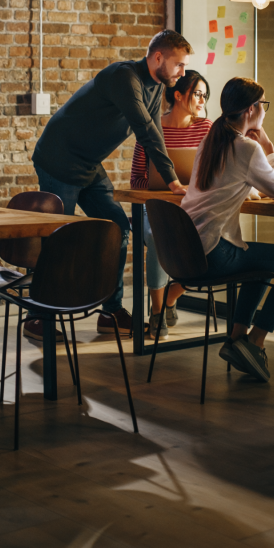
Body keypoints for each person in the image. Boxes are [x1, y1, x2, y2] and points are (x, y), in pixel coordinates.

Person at [31, 29, 192, 339]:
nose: (181, 73)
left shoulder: (157, 85)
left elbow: (154, 132)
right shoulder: (124, 76)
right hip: (59, 158)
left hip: (89, 164)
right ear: (158, 57)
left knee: (118, 227)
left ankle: (110, 312)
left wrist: (165, 177)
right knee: (56, 238)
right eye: (178, 65)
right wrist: (172, 180)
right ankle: (39, 316)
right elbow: (144, 128)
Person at [180, 76, 274, 383]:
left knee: (260, 265)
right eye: (263, 105)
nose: (264, 112)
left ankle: (235, 339)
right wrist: (268, 146)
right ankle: (254, 341)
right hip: (214, 253)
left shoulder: (212, 139)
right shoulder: (248, 148)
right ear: (252, 109)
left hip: (188, 249)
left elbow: (226, 183)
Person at [129, 70, 212, 339]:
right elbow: (136, 181)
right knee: (156, 235)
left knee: (213, 235)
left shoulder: (206, 129)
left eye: (204, 95)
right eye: (197, 93)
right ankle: (156, 312)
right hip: (153, 207)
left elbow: (213, 175)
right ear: (178, 95)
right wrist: (168, 187)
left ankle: (171, 296)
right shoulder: (152, 129)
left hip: (192, 209)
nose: (202, 100)